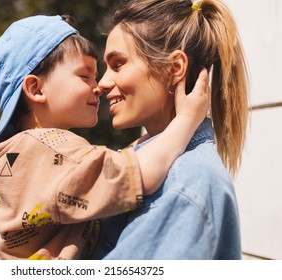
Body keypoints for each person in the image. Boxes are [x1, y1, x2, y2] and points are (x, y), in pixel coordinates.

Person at [0, 14, 210, 260]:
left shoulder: (26, 152)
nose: (99, 85)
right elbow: (134, 174)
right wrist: (188, 119)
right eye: (85, 75)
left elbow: (113, 163)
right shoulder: (51, 150)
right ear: (36, 89)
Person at [92, 0, 249, 260]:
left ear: (174, 68)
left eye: (118, 64)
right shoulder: (146, 162)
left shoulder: (185, 185)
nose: (102, 83)